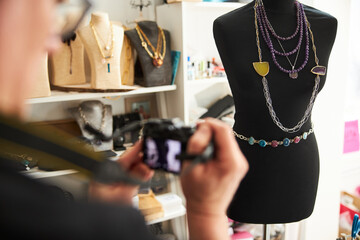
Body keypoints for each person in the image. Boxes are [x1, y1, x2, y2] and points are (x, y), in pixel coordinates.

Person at [0, 0, 248, 240]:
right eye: (57, 9)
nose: (54, 44)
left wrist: (111, 206)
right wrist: (206, 213)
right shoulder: (56, 222)